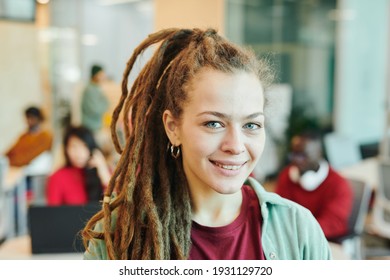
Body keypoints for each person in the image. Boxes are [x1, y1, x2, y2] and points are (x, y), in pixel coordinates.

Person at [82, 28, 331, 260]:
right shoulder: (120, 235)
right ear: (173, 127)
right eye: (214, 123)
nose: (235, 145)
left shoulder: (298, 230)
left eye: (251, 125)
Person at [275, 130, 353, 240]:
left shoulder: (338, 184)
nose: (296, 161)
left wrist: (296, 232)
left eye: (303, 155)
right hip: (293, 238)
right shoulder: (286, 175)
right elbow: (278, 211)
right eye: (294, 154)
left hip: (325, 241)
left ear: (319, 154)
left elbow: (333, 223)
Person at [46, 126, 111, 206]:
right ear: (66, 149)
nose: (79, 152)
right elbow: (53, 214)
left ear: (91, 148)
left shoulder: (104, 172)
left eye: (84, 146)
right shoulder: (57, 177)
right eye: (74, 146)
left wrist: (104, 174)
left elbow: (118, 207)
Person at [81, 64, 109, 135]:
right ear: (95, 75)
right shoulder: (90, 90)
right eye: (101, 75)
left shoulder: (96, 88)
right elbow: (96, 110)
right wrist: (105, 102)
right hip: (91, 127)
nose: (103, 77)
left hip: (95, 126)